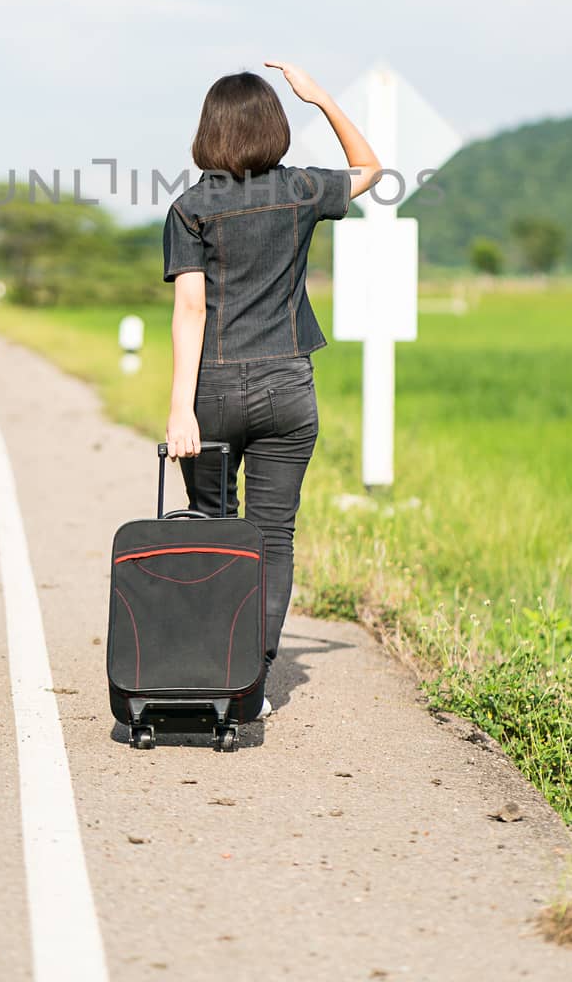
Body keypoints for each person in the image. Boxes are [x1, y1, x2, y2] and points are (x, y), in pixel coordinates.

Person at [161, 60, 383, 717]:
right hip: (290, 387)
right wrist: (323, 100)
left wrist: (180, 409)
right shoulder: (303, 191)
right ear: (275, 127)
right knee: (272, 538)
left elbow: (191, 312)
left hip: (215, 392)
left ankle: (206, 668)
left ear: (209, 133)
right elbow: (369, 169)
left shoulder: (191, 207)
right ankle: (248, 684)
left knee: (211, 529)